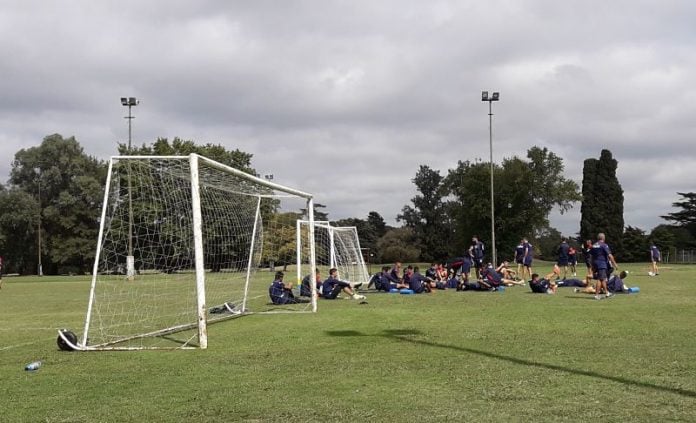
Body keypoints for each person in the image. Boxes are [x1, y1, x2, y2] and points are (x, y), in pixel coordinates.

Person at [590, 233, 619, 300]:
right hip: (601, 264)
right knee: (600, 279)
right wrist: (615, 264)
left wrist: (592, 266)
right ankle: (597, 295)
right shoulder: (604, 245)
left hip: (595, 263)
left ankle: (607, 293)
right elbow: (610, 255)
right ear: (603, 238)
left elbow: (591, 256)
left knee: (602, 279)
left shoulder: (594, 245)